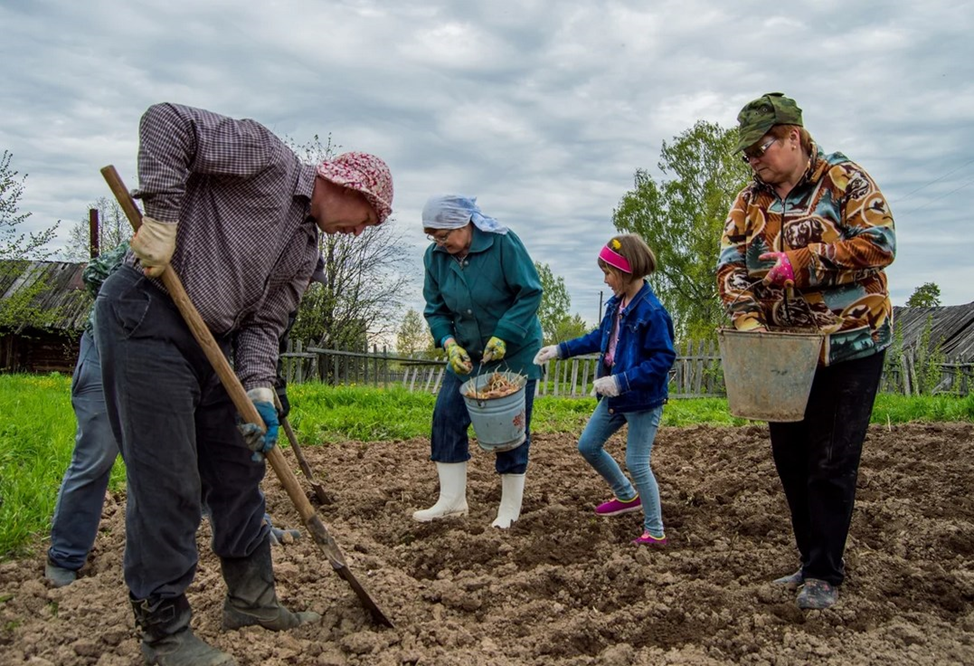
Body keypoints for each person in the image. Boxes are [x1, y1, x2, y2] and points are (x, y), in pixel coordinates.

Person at [94, 102, 393, 666]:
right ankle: (163, 632)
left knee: (239, 467)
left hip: (216, 341)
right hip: (148, 317)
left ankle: (252, 600)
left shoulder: (307, 250)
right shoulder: (267, 160)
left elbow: (265, 325)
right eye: (367, 216)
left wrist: (257, 388)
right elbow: (166, 122)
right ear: (343, 184)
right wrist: (161, 218)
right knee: (170, 479)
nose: (361, 230)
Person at [717, 92, 895, 610]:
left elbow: (881, 243)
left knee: (831, 459)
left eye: (761, 149)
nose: (754, 161)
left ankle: (825, 572)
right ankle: (808, 558)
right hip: (782, 353)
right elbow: (730, 266)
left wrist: (806, 260)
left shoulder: (845, 180)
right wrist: (748, 321)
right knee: (791, 459)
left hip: (851, 344)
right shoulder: (750, 199)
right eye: (748, 154)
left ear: (793, 137)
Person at [44, 244, 308, 589]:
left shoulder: (259, 274)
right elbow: (94, 274)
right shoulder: (179, 241)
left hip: (192, 356)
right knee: (99, 452)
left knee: (210, 447)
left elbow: (259, 336)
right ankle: (66, 554)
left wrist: (268, 388)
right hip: (115, 344)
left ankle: (253, 528)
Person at [534, 234, 675, 547]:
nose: (606, 279)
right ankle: (626, 496)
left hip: (642, 399)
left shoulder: (653, 312)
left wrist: (621, 381)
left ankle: (655, 531)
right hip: (616, 397)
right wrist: (560, 349)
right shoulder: (616, 305)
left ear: (626, 272)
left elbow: (663, 359)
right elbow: (599, 337)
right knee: (588, 445)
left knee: (637, 462)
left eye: (609, 272)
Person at [414, 194, 543, 529]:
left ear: (465, 223)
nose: (440, 243)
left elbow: (530, 291)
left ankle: (510, 507)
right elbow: (435, 309)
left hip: (513, 351)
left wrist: (504, 334)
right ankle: (452, 500)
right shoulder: (436, 258)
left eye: (445, 236)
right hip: (468, 354)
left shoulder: (503, 243)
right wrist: (448, 343)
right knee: (446, 416)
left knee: (510, 427)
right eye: (434, 238)